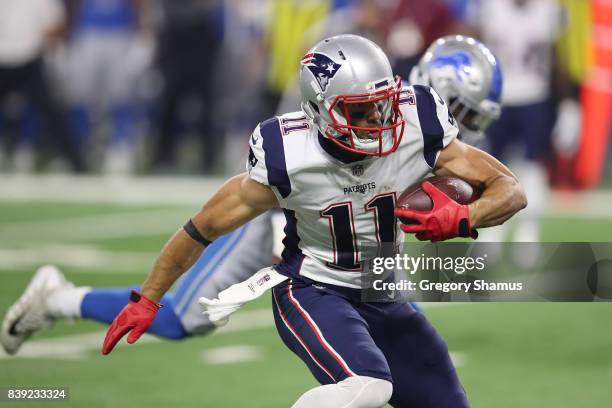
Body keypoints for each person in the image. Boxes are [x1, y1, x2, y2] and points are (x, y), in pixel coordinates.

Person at [100, 34, 523, 407]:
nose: (380, 120)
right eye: (362, 111)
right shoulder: (288, 154)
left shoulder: (418, 122)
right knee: (367, 386)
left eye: (383, 104)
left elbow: (510, 190)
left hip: (383, 292)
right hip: (314, 290)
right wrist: (148, 298)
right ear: (321, 111)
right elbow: (201, 228)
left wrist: (465, 216)